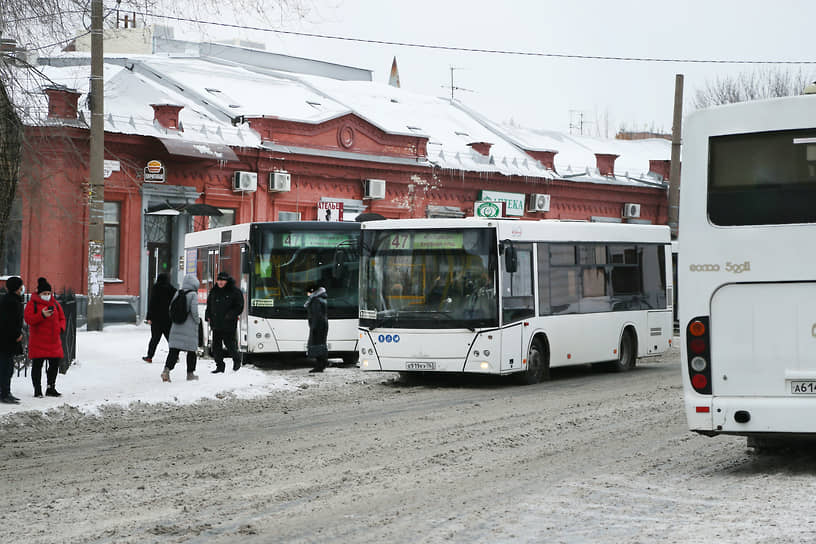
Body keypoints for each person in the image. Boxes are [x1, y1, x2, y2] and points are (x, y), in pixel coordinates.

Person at [24, 277, 65, 398]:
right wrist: (42, 315)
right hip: (38, 342)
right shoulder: (33, 304)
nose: (47, 295)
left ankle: (50, 387)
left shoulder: (55, 304)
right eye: (44, 293)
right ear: (39, 293)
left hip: (54, 341)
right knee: (37, 366)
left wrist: (61, 328)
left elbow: (62, 318)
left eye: (48, 293)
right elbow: (29, 319)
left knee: (53, 366)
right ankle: (37, 389)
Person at [161, 274, 200, 382]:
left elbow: (170, 308)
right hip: (190, 328)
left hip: (176, 326)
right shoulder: (193, 295)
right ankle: (190, 374)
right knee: (191, 352)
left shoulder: (178, 293)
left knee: (173, 351)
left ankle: (166, 371)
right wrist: (198, 321)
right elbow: (194, 312)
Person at [205, 271, 244, 373]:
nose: (220, 282)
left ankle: (236, 361)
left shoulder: (235, 292)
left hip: (228, 324)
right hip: (216, 324)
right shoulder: (214, 291)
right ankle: (219, 366)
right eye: (219, 280)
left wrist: (230, 315)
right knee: (216, 347)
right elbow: (209, 305)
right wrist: (207, 315)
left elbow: (239, 306)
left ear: (227, 281)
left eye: (222, 280)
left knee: (230, 344)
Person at [0, 276, 25, 404]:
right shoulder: (11, 301)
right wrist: (16, 334)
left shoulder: (12, 300)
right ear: (16, 287)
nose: (22, 288)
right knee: (6, 367)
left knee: (7, 366)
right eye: (21, 285)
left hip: (7, 340)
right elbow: (9, 322)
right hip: (7, 340)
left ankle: (6, 391)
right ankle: (4, 393)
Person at [143, 273, 176, 363]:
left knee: (154, 339)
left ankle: (149, 356)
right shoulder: (172, 289)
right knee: (170, 339)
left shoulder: (156, 288)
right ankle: (175, 356)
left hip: (156, 319)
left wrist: (149, 317)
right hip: (168, 319)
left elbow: (152, 303)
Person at [304, 285, 329, 373]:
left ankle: (320, 365)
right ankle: (322, 364)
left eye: (308, 293)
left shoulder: (315, 300)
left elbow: (316, 315)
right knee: (321, 344)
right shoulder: (321, 298)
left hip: (318, 325)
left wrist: (313, 327)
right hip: (322, 324)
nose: (307, 295)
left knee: (317, 344)